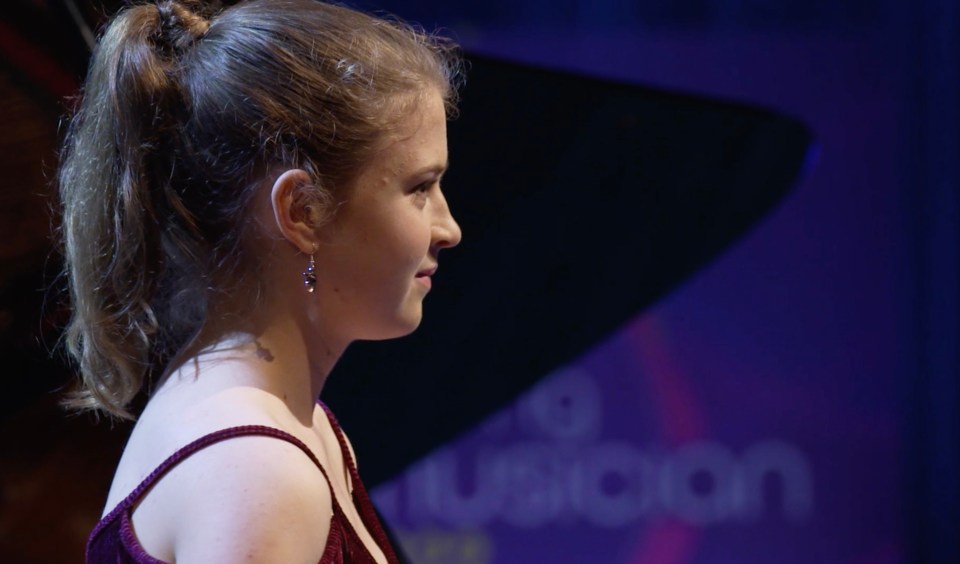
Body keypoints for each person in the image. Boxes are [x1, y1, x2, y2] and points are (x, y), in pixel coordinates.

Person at [57, 0, 462, 561]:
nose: (449, 228)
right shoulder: (257, 470)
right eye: (420, 188)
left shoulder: (296, 427)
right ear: (302, 212)